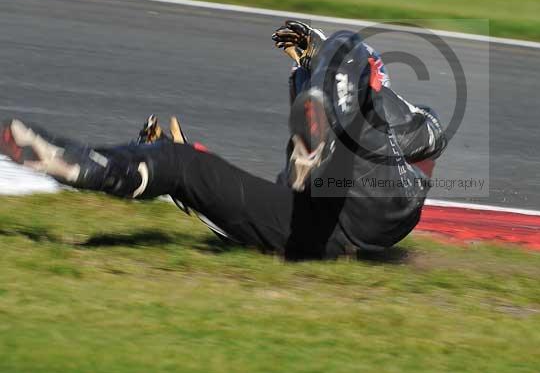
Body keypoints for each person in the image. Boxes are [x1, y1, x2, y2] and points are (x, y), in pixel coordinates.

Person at [0, 21, 447, 259]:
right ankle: (77, 162)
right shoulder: (318, 148)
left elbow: (428, 132)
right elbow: (240, 221)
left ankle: (319, 97)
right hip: (325, 229)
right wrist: (184, 168)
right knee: (177, 165)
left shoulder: (389, 111)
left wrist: (314, 49)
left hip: (368, 200)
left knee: (347, 45)